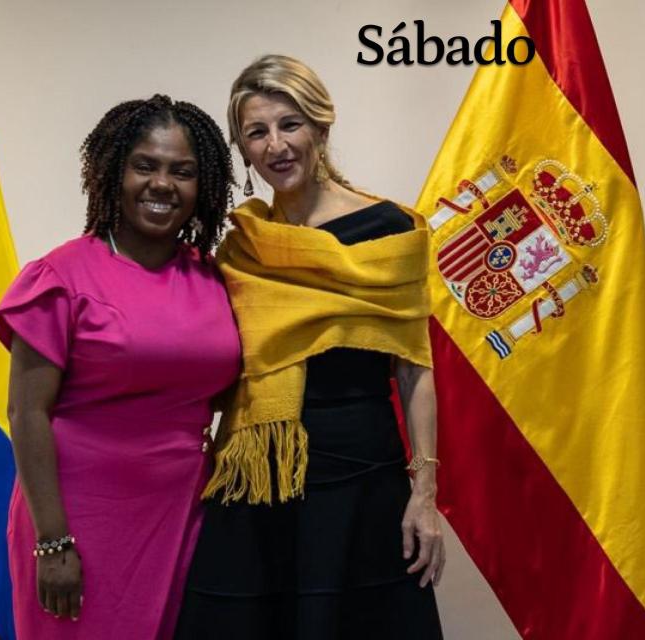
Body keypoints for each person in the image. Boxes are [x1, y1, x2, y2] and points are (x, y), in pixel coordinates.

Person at [175, 55, 445, 639]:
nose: (276, 145)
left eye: (289, 124)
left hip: (360, 474)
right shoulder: (244, 246)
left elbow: (414, 369)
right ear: (243, 149)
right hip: (258, 476)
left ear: (321, 126)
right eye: (257, 132)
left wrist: (424, 494)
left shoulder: (389, 231)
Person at [0, 94, 240, 640]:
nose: (162, 184)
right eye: (144, 166)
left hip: (181, 514)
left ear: (205, 186)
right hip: (78, 515)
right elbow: (26, 412)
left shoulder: (215, 279)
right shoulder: (62, 276)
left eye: (183, 171)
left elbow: (228, 387)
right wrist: (53, 541)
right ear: (113, 171)